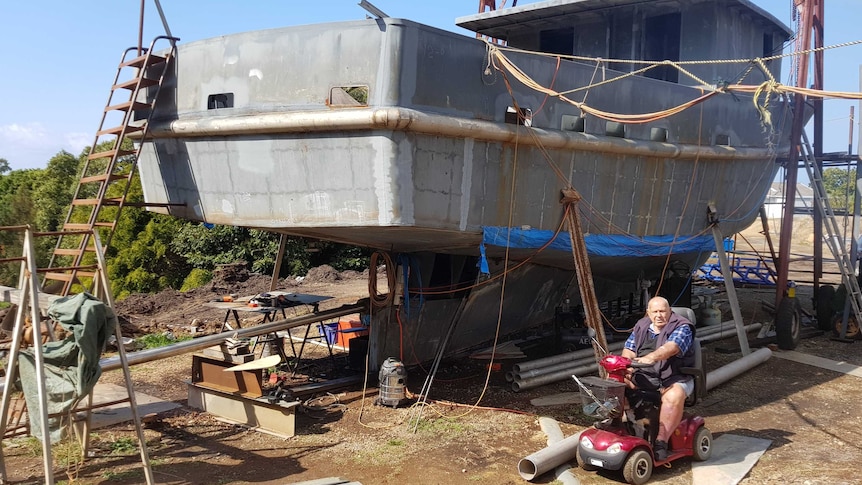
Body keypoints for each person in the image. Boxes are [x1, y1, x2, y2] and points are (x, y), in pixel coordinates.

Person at [621, 296, 695, 461]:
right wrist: (627, 367)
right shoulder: (641, 326)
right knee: (614, 382)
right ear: (648, 313)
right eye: (655, 312)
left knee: (673, 396)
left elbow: (672, 347)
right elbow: (629, 349)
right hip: (646, 376)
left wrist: (652, 357)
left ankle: (661, 441)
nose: (659, 315)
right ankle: (617, 424)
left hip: (674, 378)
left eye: (663, 311)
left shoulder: (682, 326)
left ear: (670, 311)